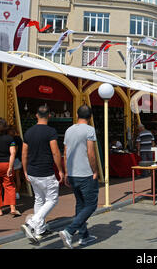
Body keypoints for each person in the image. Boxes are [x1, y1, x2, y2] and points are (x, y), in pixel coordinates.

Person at [20, 105, 63, 243]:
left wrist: (25, 170)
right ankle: (32, 223)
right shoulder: (50, 131)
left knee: (39, 199)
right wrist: (61, 170)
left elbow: (24, 153)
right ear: (49, 115)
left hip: (32, 171)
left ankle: (40, 230)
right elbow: (56, 152)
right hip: (45, 171)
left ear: (36, 116)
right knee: (52, 199)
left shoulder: (28, 132)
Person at [59, 105, 99, 249]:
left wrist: (67, 171)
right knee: (91, 205)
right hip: (85, 173)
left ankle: (84, 236)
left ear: (77, 114)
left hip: (73, 173)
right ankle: (69, 231)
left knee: (80, 204)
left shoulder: (69, 130)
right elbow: (91, 152)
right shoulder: (89, 130)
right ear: (90, 117)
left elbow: (65, 152)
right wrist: (95, 170)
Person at [8, 126, 23, 200]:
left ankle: (15, 192)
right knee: (17, 176)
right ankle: (17, 192)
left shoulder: (15, 139)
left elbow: (15, 150)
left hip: (15, 159)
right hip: (19, 158)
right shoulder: (19, 138)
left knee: (13, 176)